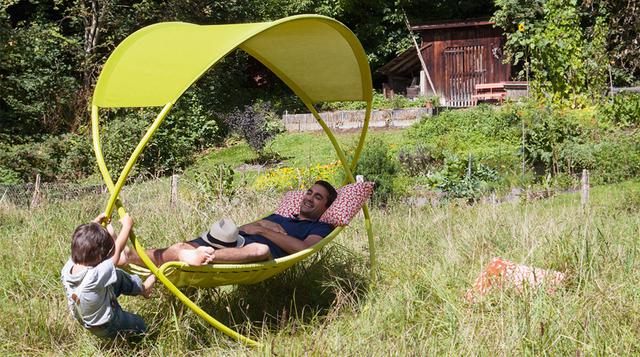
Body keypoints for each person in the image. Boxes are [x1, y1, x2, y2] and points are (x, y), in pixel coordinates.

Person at [120, 180, 338, 266]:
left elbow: (305, 249)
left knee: (260, 249)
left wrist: (266, 231)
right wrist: (260, 225)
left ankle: (197, 257)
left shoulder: (319, 226)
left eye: (318, 197)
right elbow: (245, 228)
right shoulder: (281, 216)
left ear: (326, 207)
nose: (309, 197)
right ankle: (126, 256)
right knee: (183, 246)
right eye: (309, 192)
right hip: (233, 241)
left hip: (261, 254)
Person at [61, 213, 156, 339]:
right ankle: (146, 337)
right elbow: (117, 251)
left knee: (117, 275)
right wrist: (127, 226)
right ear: (100, 258)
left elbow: (85, 243)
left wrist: (94, 225)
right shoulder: (94, 276)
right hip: (106, 324)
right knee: (138, 323)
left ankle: (142, 288)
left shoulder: (69, 266)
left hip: (88, 313)